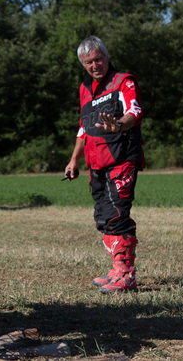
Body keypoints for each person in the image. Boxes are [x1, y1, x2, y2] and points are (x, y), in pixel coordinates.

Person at [64, 36, 144, 294]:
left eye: (98, 59)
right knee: (103, 217)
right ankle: (117, 269)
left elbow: (136, 111)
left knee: (118, 215)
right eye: (89, 62)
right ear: (83, 64)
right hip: (96, 163)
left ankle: (127, 275)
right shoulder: (84, 88)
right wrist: (74, 158)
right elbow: (83, 126)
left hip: (121, 158)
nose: (95, 65)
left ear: (106, 57)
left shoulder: (123, 81)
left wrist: (119, 124)